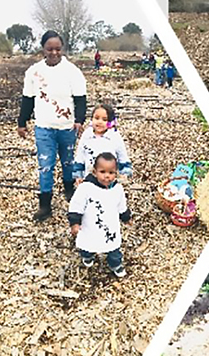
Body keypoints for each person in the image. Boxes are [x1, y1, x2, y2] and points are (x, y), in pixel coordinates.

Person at [17, 30, 87, 221]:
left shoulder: (72, 71)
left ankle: (69, 190)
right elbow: (27, 99)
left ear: (62, 48)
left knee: (68, 162)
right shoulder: (33, 72)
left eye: (58, 49)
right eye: (50, 49)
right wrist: (22, 122)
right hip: (44, 127)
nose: (54, 53)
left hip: (67, 127)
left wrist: (79, 121)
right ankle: (45, 204)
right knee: (45, 165)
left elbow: (80, 100)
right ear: (43, 49)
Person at [68, 153, 131, 278]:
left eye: (111, 172)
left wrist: (126, 217)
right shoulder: (86, 188)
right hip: (90, 224)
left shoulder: (117, 189)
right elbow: (76, 205)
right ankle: (87, 256)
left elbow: (121, 205)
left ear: (116, 173)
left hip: (110, 225)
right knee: (88, 243)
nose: (107, 176)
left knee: (113, 247)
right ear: (95, 172)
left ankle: (116, 264)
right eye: (102, 172)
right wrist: (75, 223)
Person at [74, 103, 133, 182]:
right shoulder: (87, 135)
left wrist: (124, 173)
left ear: (110, 122)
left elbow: (122, 156)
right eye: (96, 118)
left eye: (104, 119)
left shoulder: (114, 136)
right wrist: (78, 175)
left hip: (108, 179)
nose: (99, 122)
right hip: (89, 178)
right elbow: (80, 156)